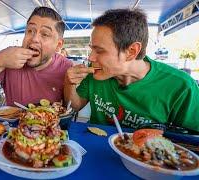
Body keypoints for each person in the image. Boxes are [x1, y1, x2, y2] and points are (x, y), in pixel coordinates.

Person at [64, 8, 199, 132]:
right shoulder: (97, 72)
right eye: (91, 49)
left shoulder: (181, 86)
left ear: (131, 51)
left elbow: (191, 140)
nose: (91, 57)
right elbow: (74, 107)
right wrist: (69, 82)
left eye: (99, 51)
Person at [0, 7, 73, 106]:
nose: (34, 38)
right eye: (30, 31)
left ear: (58, 45)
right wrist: (0, 60)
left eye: (45, 34)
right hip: (13, 129)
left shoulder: (66, 67)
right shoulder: (9, 58)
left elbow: (73, 109)